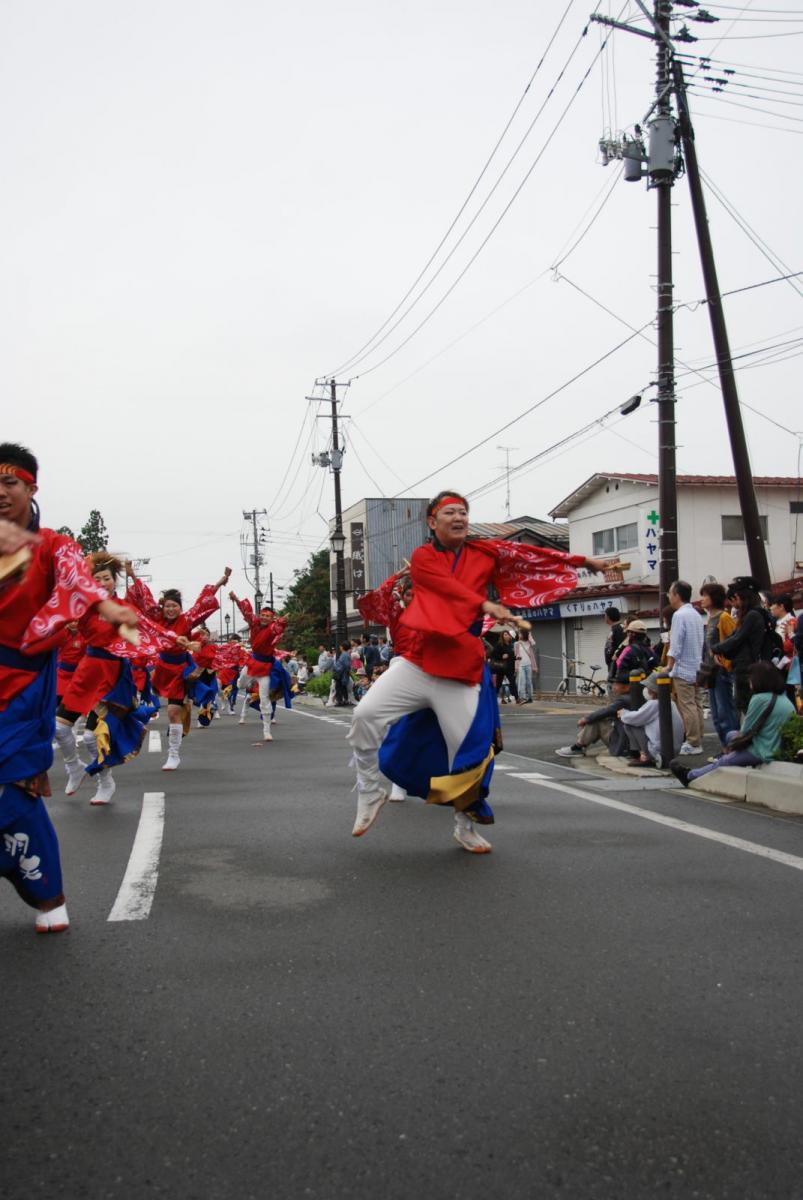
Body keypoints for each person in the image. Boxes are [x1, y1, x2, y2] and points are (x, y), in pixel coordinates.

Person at [346, 489, 612, 851]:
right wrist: (485, 603)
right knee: (364, 714)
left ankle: (464, 824)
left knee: (468, 755)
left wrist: (585, 561)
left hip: (461, 670)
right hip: (419, 664)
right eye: (450, 512)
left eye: (464, 513)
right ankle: (369, 790)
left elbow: (532, 555)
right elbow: (445, 588)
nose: (459, 518)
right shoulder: (423, 558)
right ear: (432, 521)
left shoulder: (484, 553)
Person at [0, 443, 138, 932]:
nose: (0, 493)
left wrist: (103, 605)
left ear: (31, 487)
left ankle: (45, 890)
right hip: (62, 671)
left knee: (12, 785)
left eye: (8, 482)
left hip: (21, 682)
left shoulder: (55, 546)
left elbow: (78, 582)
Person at [126, 565, 228, 769]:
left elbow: (202, 603)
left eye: (175, 606)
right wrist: (132, 574)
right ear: (163, 607)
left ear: (180, 607)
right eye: (168, 606)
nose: (170, 609)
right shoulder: (158, 618)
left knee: (172, 710)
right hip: (162, 667)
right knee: (156, 701)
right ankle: (181, 710)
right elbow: (144, 600)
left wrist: (219, 583)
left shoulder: (187, 619)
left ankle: (173, 754)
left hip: (181, 669)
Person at [672, 662, 795, 786]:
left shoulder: (759, 699)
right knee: (731, 734)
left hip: (761, 750)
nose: (749, 682)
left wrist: (732, 747)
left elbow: (745, 731)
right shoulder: (786, 701)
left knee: (725, 759)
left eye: (751, 678)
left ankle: (689, 776)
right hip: (776, 748)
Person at [229, 594, 289, 739]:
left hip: (265, 668)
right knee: (241, 684)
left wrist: (281, 621)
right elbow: (246, 611)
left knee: (264, 698)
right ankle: (242, 683)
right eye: (262, 615)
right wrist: (237, 599)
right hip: (251, 663)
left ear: (272, 618)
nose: (264, 617)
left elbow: (278, 628)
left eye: (267, 616)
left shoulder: (273, 629)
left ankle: (266, 731)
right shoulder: (254, 623)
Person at [711, 577, 770, 716]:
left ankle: (748, 736)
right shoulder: (750, 615)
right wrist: (718, 649)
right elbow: (734, 636)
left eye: (737, 598)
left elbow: (737, 638)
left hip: (747, 666)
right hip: (744, 665)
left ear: (745, 598)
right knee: (744, 705)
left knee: (747, 706)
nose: (735, 602)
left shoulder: (753, 615)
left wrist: (715, 649)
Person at [665, 580, 706, 755]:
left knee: (687, 705)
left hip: (683, 668)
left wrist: (669, 665)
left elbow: (676, 644)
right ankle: (698, 739)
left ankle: (692, 742)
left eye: (670, 593)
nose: (668, 596)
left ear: (677, 595)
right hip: (696, 666)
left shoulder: (679, 615)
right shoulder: (697, 614)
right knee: (696, 705)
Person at [699, 581, 738, 751]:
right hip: (711, 672)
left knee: (724, 710)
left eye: (705, 596)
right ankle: (725, 748)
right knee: (716, 714)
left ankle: (732, 746)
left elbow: (733, 641)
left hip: (722, 670)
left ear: (713, 598)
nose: (702, 600)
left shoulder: (724, 617)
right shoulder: (710, 619)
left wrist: (723, 659)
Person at [618, 672, 684, 767]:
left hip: (658, 750)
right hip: (674, 751)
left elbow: (635, 718)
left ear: (652, 690)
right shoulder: (671, 703)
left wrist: (623, 713)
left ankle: (645, 756)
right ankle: (645, 755)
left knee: (629, 725)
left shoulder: (654, 704)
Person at [556, 679, 632, 757]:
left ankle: (579, 747)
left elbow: (607, 711)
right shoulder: (633, 697)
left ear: (626, 687)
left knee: (597, 721)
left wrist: (586, 719)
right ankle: (580, 745)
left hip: (624, 745)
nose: (613, 687)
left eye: (616, 685)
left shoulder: (624, 699)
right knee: (599, 719)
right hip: (628, 742)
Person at [612, 620, 656, 684]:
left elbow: (619, 668)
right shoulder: (650, 650)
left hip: (629, 688)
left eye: (628, 632)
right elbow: (656, 666)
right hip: (648, 686)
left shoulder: (628, 650)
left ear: (632, 634)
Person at [490, 630, 518, 703]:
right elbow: (493, 654)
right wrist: (501, 657)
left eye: (507, 634)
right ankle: (493, 698)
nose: (506, 636)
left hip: (509, 668)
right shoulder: (499, 645)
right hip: (501, 668)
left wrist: (516, 658)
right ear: (502, 636)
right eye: (505, 635)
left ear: (509, 636)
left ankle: (517, 698)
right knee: (498, 684)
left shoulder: (511, 645)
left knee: (512, 683)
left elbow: (511, 656)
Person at [603, 607, 626, 690]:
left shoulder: (619, 629)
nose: (604, 617)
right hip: (612, 664)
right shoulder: (617, 628)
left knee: (613, 689)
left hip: (616, 665)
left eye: (605, 615)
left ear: (609, 616)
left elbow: (622, 646)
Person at [514, 628, 538, 703]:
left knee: (529, 681)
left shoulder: (529, 643)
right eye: (519, 633)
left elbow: (534, 643)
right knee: (522, 681)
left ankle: (530, 697)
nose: (519, 635)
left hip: (529, 664)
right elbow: (515, 655)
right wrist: (516, 666)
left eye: (521, 633)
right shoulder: (516, 644)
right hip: (521, 665)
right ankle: (523, 697)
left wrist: (529, 634)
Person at [332, 642, 353, 707]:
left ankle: (340, 701)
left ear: (343, 647)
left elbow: (345, 665)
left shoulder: (344, 655)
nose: (340, 647)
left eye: (340, 646)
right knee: (343, 687)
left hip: (341, 673)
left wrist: (337, 667)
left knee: (338, 687)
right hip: (343, 673)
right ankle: (344, 700)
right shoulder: (346, 654)